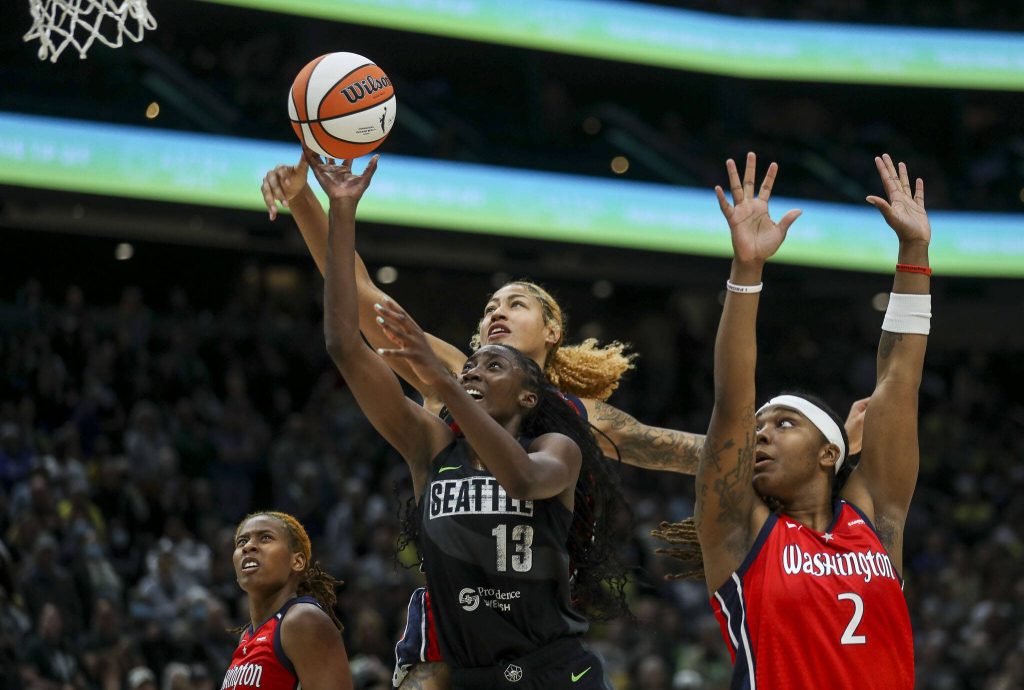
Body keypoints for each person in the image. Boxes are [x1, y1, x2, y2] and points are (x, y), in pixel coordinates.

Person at [261, 150, 868, 689]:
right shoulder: (451, 373)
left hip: (540, 624)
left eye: (516, 304)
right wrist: (306, 203)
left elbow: (698, 453)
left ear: (552, 331)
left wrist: (826, 439)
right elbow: (360, 302)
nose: (497, 312)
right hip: (455, 627)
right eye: (490, 309)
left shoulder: (583, 417)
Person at [311, 151, 627, 690]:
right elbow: (345, 344)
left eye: (493, 365)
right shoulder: (429, 442)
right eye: (471, 363)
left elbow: (524, 480)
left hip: (553, 669)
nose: (475, 370)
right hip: (469, 675)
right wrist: (342, 210)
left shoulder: (558, 446)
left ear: (529, 396)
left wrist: (445, 382)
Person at [681, 152, 927, 688]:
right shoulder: (738, 531)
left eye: (785, 423)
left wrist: (914, 252)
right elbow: (731, 404)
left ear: (828, 453)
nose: (761, 432)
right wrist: (747, 271)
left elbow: (898, 380)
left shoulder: (875, 520)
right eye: (761, 425)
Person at [223, 511, 352, 690]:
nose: (249, 546)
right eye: (242, 542)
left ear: (297, 561)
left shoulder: (302, 620)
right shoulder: (246, 637)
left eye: (265, 538)